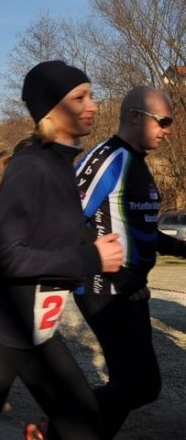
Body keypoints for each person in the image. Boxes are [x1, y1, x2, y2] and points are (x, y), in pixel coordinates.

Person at [0, 60, 124, 440]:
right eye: (79, 97)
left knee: (85, 426)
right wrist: (91, 257)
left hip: (39, 335)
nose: (92, 105)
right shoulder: (31, 168)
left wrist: (93, 247)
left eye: (90, 95)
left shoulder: (60, 168)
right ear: (51, 110)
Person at [74, 85, 180, 438]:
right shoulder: (107, 158)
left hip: (130, 290)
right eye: (163, 121)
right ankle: (63, 424)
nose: (168, 129)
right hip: (103, 288)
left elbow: (143, 231)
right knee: (141, 384)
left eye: (171, 122)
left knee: (130, 384)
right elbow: (66, 217)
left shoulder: (137, 163)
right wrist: (118, 275)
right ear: (135, 116)